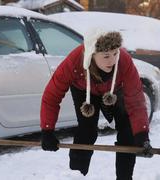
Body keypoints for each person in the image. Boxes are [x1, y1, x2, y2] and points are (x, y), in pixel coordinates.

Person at [40, 28, 152, 180]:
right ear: (92, 54)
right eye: (106, 56)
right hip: (84, 91)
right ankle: (76, 175)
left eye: (114, 54)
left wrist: (142, 134)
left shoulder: (123, 60)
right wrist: (47, 131)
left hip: (115, 91)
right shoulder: (74, 62)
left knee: (128, 132)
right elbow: (51, 96)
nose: (112, 60)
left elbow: (136, 99)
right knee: (87, 131)